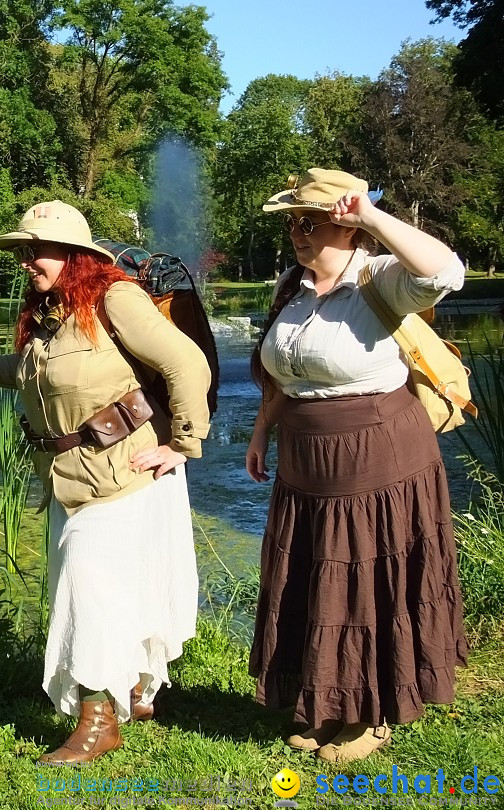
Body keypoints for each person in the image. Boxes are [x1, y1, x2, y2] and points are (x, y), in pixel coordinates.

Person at [0, 200, 212, 764]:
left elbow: (188, 363)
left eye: (39, 250)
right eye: (24, 251)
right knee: (107, 589)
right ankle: (136, 692)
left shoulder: (114, 299)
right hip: (67, 477)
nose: (28, 260)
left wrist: (182, 444)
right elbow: (33, 372)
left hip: (124, 475)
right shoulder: (51, 311)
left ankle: (98, 719)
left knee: (88, 592)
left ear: (76, 255)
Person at [245, 169, 468, 763]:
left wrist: (370, 215)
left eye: (312, 221)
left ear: (345, 226)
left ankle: (371, 717)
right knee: (319, 578)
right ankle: (323, 702)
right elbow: (288, 372)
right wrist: (262, 429)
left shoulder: (378, 279)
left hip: (376, 456)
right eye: (293, 221)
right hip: (304, 458)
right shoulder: (289, 285)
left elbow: (446, 271)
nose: (298, 231)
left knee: (367, 582)